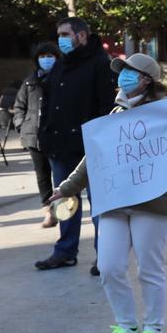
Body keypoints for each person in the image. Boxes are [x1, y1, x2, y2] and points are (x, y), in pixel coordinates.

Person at [48, 53, 167, 333]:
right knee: (109, 265)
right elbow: (94, 158)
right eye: (121, 71)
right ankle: (126, 327)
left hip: (154, 200)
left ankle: (154, 328)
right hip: (115, 199)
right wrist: (67, 188)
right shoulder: (115, 114)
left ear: (146, 80)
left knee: (149, 266)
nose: (121, 76)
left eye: (129, 72)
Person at [36, 17, 117, 271]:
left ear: (81, 35)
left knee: (99, 203)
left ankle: (103, 255)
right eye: (58, 34)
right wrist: (44, 134)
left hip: (89, 147)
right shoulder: (60, 65)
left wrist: (101, 139)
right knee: (63, 200)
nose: (60, 39)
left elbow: (106, 106)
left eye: (64, 34)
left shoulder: (100, 64)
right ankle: (65, 251)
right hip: (59, 146)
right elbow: (48, 103)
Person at [13, 42, 59, 228]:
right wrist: (21, 126)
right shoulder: (29, 81)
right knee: (42, 176)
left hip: (57, 135)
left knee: (61, 174)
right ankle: (48, 211)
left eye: (50, 56)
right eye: (42, 56)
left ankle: (63, 209)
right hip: (34, 135)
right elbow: (19, 106)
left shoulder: (63, 79)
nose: (46, 59)